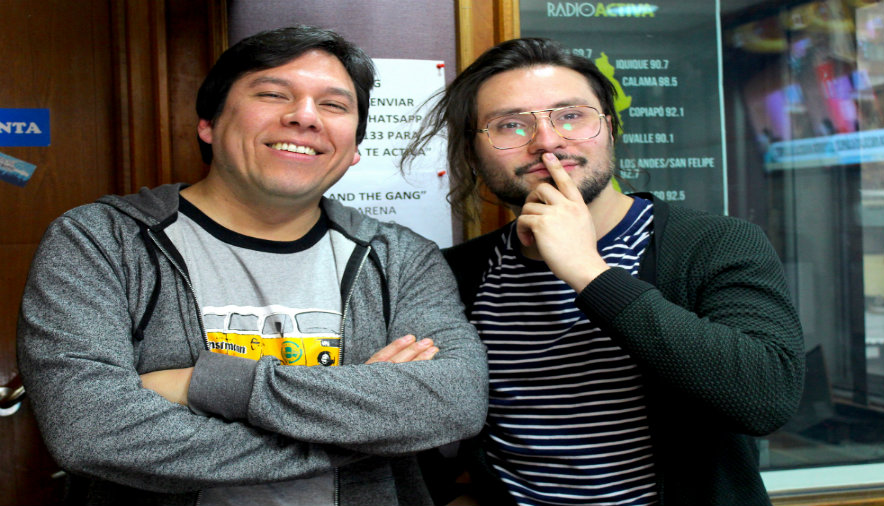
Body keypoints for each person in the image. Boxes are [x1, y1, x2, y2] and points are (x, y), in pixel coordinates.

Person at [17, 25, 488, 506]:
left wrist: (204, 384)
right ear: (208, 123)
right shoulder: (101, 241)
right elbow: (93, 432)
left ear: (353, 149)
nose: (305, 116)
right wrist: (371, 429)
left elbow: (454, 399)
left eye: (333, 105)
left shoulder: (401, 257)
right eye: (272, 94)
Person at [403, 38, 804, 506]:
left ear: (609, 128)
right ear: (473, 153)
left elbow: (767, 398)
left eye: (571, 115)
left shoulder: (715, 244)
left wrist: (589, 272)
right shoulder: (458, 273)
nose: (547, 141)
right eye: (510, 124)